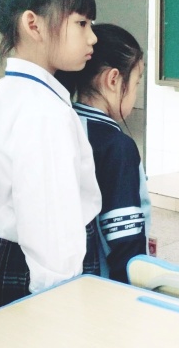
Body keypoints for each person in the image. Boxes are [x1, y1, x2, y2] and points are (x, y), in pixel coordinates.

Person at [0, 0, 101, 313]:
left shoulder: (9, 93)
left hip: (3, 254)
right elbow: (52, 240)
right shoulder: (43, 114)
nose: (93, 36)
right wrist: (61, 309)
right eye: (81, 23)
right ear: (33, 24)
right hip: (34, 274)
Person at [56, 23, 151, 284]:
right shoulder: (117, 146)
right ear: (113, 80)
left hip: (63, 279)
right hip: (101, 283)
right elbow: (125, 242)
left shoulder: (61, 124)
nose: (135, 92)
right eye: (136, 83)